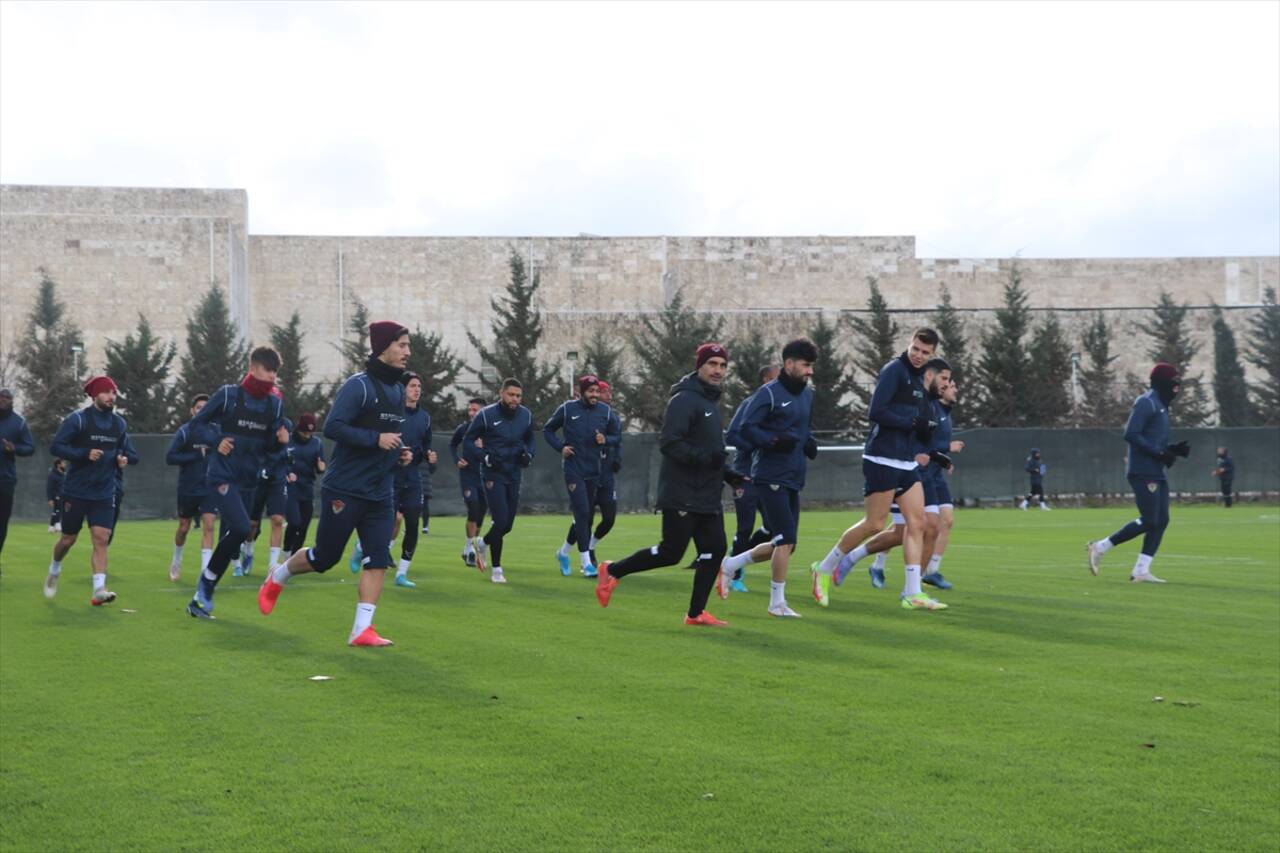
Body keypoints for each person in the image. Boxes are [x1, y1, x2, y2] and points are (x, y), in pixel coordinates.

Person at [258, 322, 410, 647]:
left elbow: (391, 436)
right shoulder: (359, 387)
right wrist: (376, 439)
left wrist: (400, 453)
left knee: (378, 557)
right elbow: (334, 428)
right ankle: (278, 576)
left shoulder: (398, 390)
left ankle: (361, 630)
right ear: (383, 347)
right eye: (402, 345)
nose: (407, 352)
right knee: (325, 558)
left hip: (380, 491)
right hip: (346, 488)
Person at [595, 343, 734, 626]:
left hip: (706, 493)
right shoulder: (684, 399)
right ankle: (612, 570)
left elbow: (711, 453)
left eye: (722, 365)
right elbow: (670, 443)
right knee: (672, 552)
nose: (718, 370)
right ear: (700, 366)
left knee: (715, 549)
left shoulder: (709, 401)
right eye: (712, 364)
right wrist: (707, 458)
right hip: (682, 492)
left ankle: (695, 614)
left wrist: (731, 475)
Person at [810, 328, 949, 612]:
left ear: (932, 354)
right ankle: (823, 568)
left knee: (917, 523)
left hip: (906, 462)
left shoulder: (919, 379)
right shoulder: (894, 370)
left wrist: (925, 431)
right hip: (881, 458)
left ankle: (912, 593)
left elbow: (918, 424)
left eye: (925, 352)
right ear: (909, 345)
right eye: (916, 349)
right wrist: (912, 423)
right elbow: (876, 412)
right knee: (874, 524)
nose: (919, 355)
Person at [184, 347, 289, 618]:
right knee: (242, 527)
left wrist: (279, 444)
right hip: (221, 476)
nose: (273, 377)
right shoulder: (229, 395)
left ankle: (200, 596)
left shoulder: (274, 405)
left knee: (241, 532)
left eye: (276, 372)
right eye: (269, 370)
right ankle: (206, 585)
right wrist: (216, 441)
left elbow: (269, 450)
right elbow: (197, 425)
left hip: (249, 480)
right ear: (253, 368)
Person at [717, 339, 819, 617]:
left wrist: (809, 442)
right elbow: (745, 430)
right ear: (789, 364)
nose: (810, 371)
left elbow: (803, 429)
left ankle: (730, 564)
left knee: (786, 544)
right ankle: (777, 603)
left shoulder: (807, 395)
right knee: (784, 539)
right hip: (769, 475)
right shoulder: (768, 394)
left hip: (794, 476)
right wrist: (772, 440)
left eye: (812, 366)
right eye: (806, 365)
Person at [1087, 363, 1190, 583]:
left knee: (1161, 520)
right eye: (1174, 382)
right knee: (1150, 520)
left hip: (1156, 470)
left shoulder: (1162, 405)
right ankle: (1100, 547)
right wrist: (1160, 453)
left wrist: (1172, 450)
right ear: (1162, 382)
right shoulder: (1146, 402)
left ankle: (1141, 570)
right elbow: (1131, 434)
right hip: (1142, 471)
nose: (1177, 386)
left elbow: (1152, 439)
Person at [43, 376, 136, 604]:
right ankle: (55, 569)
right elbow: (56, 446)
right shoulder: (78, 420)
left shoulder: (119, 424)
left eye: (114, 392)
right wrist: (85, 453)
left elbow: (131, 454)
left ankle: (99, 590)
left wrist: (123, 459)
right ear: (95, 395)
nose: (111, 397)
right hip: (76, 490)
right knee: (68, 539)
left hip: (104, 491)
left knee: (101, 538)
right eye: (106, 392)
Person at [546, 374, 621, 578]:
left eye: (597, 391)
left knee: (586, 516)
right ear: (581, 392)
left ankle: (562, 553)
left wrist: (605, 439)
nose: (595, 395)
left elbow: (617, 436)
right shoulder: (568, 409)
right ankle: (586, 562)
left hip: (594, 470)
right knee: (582, 512)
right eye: (591, 391)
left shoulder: (605, 412)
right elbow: (548, 430)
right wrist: (560, 447)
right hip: (573, 469)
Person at [463, 379, 536, 584]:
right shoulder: (486, 414)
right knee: (500, 520)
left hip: (513, 473)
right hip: (492, 474)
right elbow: (468, 440)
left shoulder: (526, 415)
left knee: (508, 525)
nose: (514, 399)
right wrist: (484, 457)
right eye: (511, 394)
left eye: (518, 396)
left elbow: (531, 439)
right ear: (501, 393)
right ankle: (497, 569)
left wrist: (529, 454)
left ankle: (482, 542)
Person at [722, 363, 781, 594]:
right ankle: (734, 575)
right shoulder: (751, 404)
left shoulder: (779, 409)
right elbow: (734, 434)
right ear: (766, 380)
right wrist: (760, 444)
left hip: (767, 476)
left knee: (771, 528)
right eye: (777, 378)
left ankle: (736, 558)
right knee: (744, 526)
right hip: (745, 475)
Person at [388, 371, 435, 588]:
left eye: (419, 386)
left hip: (413, 477)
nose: (416, 389)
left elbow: (426, 447)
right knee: (388, 520)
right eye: (412, 386)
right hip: (390, 475)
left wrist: (429, 456)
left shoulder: (425, 418)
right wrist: (397, 454)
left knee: (413, 524)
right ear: (403, 389)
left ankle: (402, 574)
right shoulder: (392, 414)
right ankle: (363, 549)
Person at [165, 394, 217, 582]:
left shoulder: (216, 432)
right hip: (188, 488)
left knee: (209, 526)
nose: (202, 410)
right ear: (192, 410)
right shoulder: (185, 432)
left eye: (205, 407)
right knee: (184, 527)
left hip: (210, 488)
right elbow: (170, 457)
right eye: (198, 407)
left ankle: (205, 572)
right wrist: (195, 455)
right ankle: (176, 560)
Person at [237, 408, 291, 577]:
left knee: (277, 519)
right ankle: (248, 550)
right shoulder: (257, 425)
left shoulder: (286, 425)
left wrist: (287, 464)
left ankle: (273, 566)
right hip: (258, 479)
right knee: (252, 524)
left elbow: (287, 451)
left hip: (277, 479)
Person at [281, 412, 325, 561]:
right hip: (290, 486)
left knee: (304, 525)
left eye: (310, 433)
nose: (307, 435)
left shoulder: (317, 443)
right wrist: (287, 473)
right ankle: (287, 551)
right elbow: (279, 460)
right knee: (294, 521)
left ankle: (294, 556)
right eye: (304, 432)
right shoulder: (288, 441)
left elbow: (321, 466)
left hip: (307, 486)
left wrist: (321, 466)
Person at [449, 398, 486, 566]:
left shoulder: (489, 431)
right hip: (468, 476)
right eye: (470, 410)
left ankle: (467, 547)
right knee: (473, 507)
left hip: (485, 476)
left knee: (480, 515)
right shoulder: (463, 429)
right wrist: (457, 459)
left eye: (475, 410)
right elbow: (452, 445)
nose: (472, 413)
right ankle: (470, 548)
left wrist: (484, 446)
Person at [0, 387, 35, 562]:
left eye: (6, 397)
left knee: (1, 523)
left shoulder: (19, 423)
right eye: (0, 396)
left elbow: (30, 448)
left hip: (5, 480)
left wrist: (14, 448)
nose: (3, 399)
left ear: (12, 400)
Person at [46, 459, 66, 533]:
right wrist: (50, 499)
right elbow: (49, 487)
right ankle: (57, 525)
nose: (65, 464)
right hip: (56, 496)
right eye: (63, 463)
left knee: (56, 511)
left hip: (63, 495)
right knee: (58, 510)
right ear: (58, 465)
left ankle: (51, 527)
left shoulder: (63, 474)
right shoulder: (52, 475)